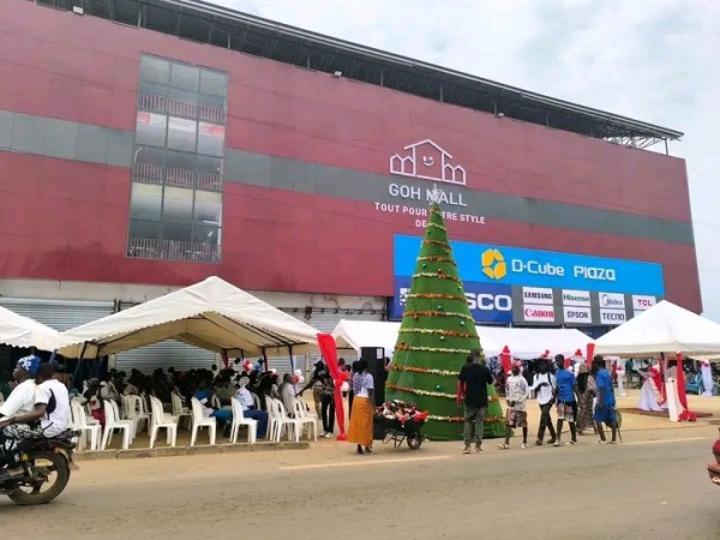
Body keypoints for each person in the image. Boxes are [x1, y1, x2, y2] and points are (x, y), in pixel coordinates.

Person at [0, 363, 71, 481]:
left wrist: (12, 420)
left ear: (39, 376)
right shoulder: (60, 385)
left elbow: (39, 412)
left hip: (48, 426)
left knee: (6, 430)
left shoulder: (43, 387)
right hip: (60, 424)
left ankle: (16, 467)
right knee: (18, 427)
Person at [457, 349, 493, 454]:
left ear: (472, 357)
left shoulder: (466, 367)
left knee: (468, 422)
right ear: (479, 357)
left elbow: (461, 381)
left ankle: (467, 446)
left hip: (469, 399)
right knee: (479, 423)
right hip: (482, 400)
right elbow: (490, 381)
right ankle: (478, 446)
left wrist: (463, 393)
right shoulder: (484, 369)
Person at [347, 359, 374, 455]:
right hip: (364, 401)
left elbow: (351, 386)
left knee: (358, 424)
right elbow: (370, 393)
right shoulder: (368, 377)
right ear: (366, 367)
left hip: (356, 401)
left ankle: (359, 447)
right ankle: (367, 446)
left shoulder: (355, 375)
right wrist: (374, 406)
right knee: (366, 425)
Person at [498, 364, 529, 450]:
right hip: (511, 405)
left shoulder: (522, 380)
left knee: (523, 424)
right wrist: (507, 399)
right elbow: (507, 390)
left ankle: (525, 442)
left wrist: (517, 400)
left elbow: (526, 393)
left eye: (515, 368)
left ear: (519, 369)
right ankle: (506, 443)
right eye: (512, 368)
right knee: (508, 423)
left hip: (520, 406)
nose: (513, 369)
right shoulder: (509, 379)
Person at [553, 354, 578, 447]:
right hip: (560, 399)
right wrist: (554, 396)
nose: (557, 362)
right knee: (560, 419)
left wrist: (579, 398)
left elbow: (575, 386)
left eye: (558, 360)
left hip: (569, 400)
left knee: (570, 419)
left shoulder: (569, 373)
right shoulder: (556, 373)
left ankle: (574, 438)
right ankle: (558, 439)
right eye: (556, 361)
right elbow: (556, 387)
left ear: (563, 361)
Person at [593, 357, 618, 444]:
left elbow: (601, 388)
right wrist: (613, 399)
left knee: (597, 418)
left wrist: (600, 401)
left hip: (603, 399)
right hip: (611, 399)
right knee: (612, 418)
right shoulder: (607, 373)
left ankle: (603, 439)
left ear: (596, 364)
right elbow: (611, 387)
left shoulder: (599, 374)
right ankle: (614, 439)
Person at [532, 360, 556, 446]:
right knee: (547, 419)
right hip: (540, 400)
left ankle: (540, 438)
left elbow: (555, 389)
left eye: (544, 365)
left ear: (547, 366)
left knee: (543, 416)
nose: (542, 366)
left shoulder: (551, 376)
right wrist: (539, 385)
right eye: (540, 365)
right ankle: (554, 436)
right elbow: (534, 389)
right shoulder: (536, 376)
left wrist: (553, 399)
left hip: (549, 400)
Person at [576, 363, 596, 435]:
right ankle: (595, 429)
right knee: (589, 414)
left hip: (580, 400)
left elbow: (575, 389)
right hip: (588, 400)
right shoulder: (590, 378)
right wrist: (595, 394)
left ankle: (579, 428)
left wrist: (579, 396)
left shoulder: (577, 378)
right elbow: (593, 389)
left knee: (581, 413)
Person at [319, 372, 335, 438]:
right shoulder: (324, 374)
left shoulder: (334, 373)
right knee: (323, 410)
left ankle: (330, 431)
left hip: (333, 395)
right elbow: (323, 385)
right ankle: (325, 429)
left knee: (331, 412)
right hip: (325, 394)